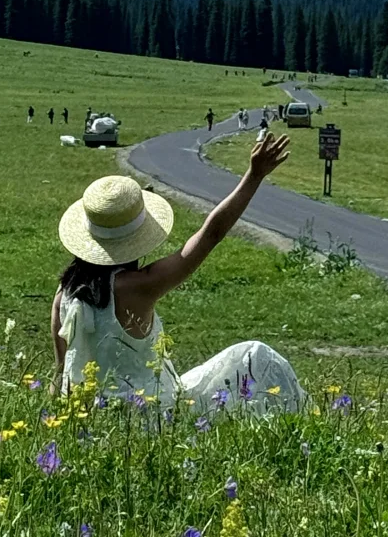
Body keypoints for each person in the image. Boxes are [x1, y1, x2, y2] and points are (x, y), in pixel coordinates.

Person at [52, 135, 304, 412]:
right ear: (136, 239)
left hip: (91, 416)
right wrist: (254, 176)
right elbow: (211, 234)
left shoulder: (65, 294)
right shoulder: (141, 285)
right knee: (255, 355)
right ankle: (300, 425)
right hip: (153, 416)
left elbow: (61, 373)